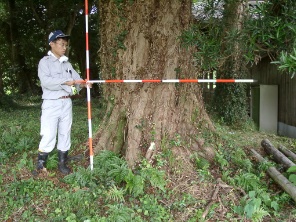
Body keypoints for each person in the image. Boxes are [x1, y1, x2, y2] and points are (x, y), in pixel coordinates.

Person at [35, 30, 90, 174]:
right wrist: (65, 82)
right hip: (51, 103)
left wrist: (84, 84)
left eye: (65, 44)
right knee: (49, 133)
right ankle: (41, 165)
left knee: (65, 132)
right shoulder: (44, 62)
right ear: (52, 44)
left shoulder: (67, 64)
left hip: (66, 103)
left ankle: (62, 162)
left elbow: (76, 80)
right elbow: (46, 82)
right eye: (61, 44)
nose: (64, 47)